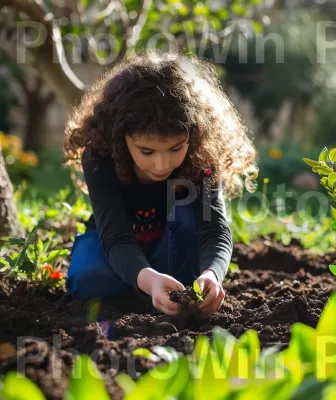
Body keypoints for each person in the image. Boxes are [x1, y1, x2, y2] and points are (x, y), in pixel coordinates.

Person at [62, 51, 257, 316]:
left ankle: (158, 287)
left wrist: (212, 274)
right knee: (87, 279)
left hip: (172, 247)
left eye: (176, 148)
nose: (162, 165)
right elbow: (116, 236)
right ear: (121, 139)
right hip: (115, 244)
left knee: (186, 219)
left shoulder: (202, 157)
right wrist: (148, 279)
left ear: (195, 136)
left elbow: (214, 231)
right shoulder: (99, 157)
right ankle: (146, 286)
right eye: (147, 152)